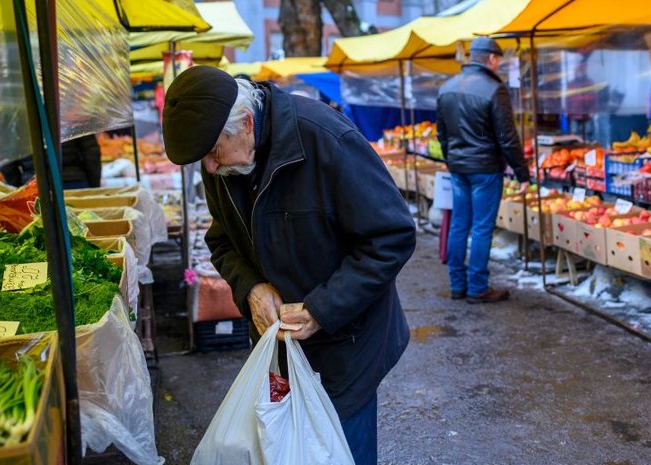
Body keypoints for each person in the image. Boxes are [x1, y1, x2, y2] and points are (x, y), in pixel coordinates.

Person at [161, 66, 416, 464]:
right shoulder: (222, 156)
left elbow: (391, 237)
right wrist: (251, 288)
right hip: (279, 348)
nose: (210, 169)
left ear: (246, 123)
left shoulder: (326, 139)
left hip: (347, 346)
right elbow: (222, 240)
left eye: (213, 153)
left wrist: (322, 309)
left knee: (341, 451)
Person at [436, 37, 531, 304]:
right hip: (486, 170)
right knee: (481, 228)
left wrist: (452, 160)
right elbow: (507, 137)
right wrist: (522, 173)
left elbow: (442, 134)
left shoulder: (447, 87)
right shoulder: (493, 89)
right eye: (498, 60)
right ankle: (477, 287)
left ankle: (457, 284)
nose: (499, 64)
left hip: (459, 168)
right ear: (491, 58)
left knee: (458, 225)